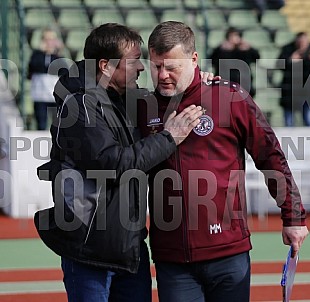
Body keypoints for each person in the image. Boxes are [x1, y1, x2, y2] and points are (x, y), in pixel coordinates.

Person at [137, 21, 309, 302]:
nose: (163, 75)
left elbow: (270, 156)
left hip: (228, 251)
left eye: (172, 67)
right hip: (173, 258)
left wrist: (294, 215)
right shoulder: (143, 107)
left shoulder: (229, 97)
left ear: (194, 60)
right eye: (156, 66)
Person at [34, 23, 204, 302]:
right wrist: (169, 138)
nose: (141, 68)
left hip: (128, 248)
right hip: (91, 251)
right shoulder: (81, 105)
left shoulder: (124, 96)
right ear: (105, 66)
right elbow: (112, 164)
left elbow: (168, 97)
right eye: (134, 61)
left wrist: (197, 80)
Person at [277, 32, 310, 127]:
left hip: (307, 91)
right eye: (300, 41)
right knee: (289, 122)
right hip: (290, 90)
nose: (302, 44)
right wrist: (291, 60)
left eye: (304, 41)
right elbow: (279, 65)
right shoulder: (287, 50)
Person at [27, 28, 65, 130]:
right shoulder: (36, 55)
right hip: (40, 95)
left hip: (54, 95)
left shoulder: (58, 57)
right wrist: (42, 52)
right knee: (41, 124)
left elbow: (63, 71)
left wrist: (56, 53)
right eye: (46, 39)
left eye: (51, 39)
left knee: (57, 124)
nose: (49, 42)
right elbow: (33, 68)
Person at [209, 27, 260, 98]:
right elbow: (213, 61)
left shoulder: (245, 50)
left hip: (243, 85)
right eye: (232, 36)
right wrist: (223, 50)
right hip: (225, 85)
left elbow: (256, 58)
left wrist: (249, 48)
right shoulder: (221, 50)